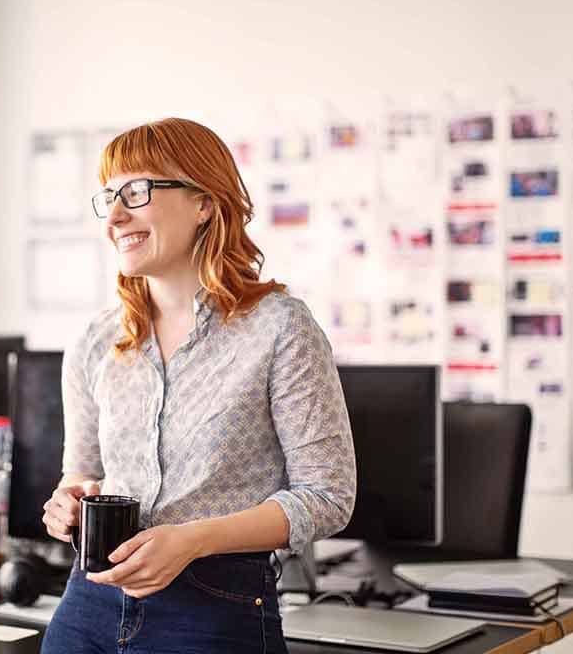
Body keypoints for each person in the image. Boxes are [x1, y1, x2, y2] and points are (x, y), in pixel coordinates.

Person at [40, 117, 356, 653]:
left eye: (136, 192)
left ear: (204, 201)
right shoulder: (96, 341)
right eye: (109, 197)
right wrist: (66, 503)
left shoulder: (279, 328)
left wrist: (191, 540)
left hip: (214, 609)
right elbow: (83, 473)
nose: (115, 216)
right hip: (87, 608)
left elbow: (327, 496)